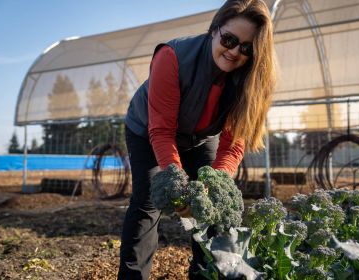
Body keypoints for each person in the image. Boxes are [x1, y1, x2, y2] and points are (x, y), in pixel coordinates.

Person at [118, 0, 276, 278]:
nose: (235, 51)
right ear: (214, 30)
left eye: (247, 48)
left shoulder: (251, 78)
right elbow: (162, 131)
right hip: (148, 130)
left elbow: (234, 143)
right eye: (229, 39)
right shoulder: (173, 56)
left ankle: (203, 274)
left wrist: (212, 186)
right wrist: (176, 183)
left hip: (200, 138)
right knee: (148, 203)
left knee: (212, 207)